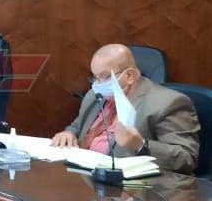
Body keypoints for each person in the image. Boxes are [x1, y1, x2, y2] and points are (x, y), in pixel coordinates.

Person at [51, 44, 199, 174]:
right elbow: (77, 126)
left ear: (129, 76)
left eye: (105, 76)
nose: (98, 84)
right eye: (95, 78)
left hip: (130, 189)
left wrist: (141, 145)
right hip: (81, 175)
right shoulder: (94, 95)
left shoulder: (168, 103)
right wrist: (68, 133)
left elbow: (187, 159)